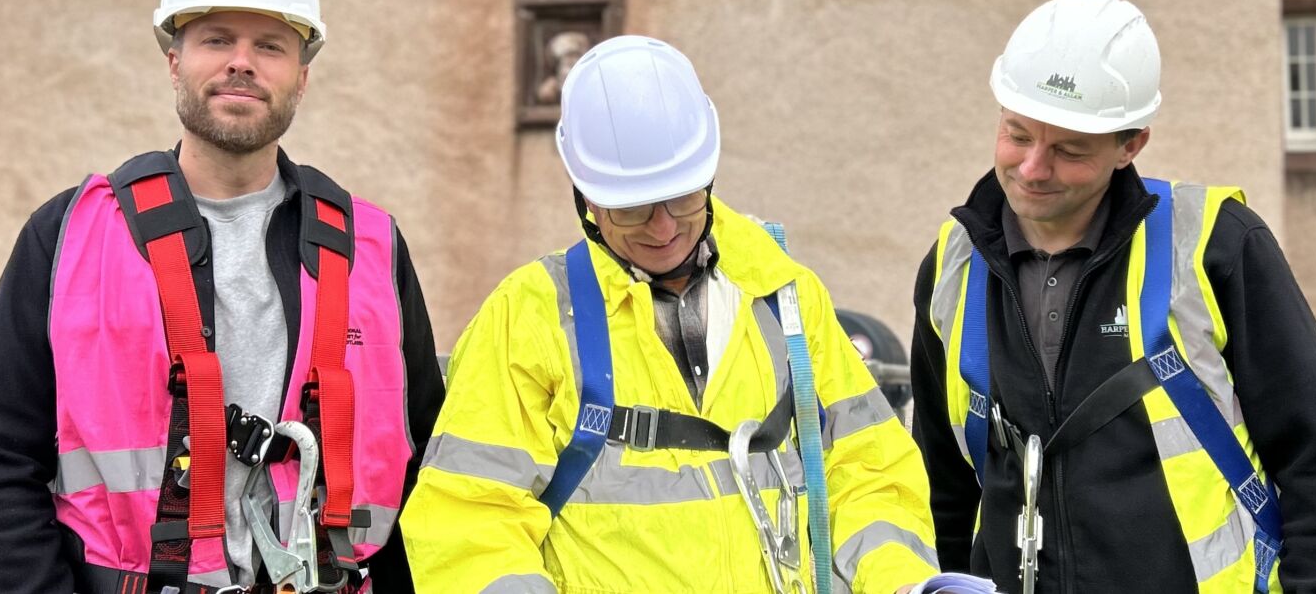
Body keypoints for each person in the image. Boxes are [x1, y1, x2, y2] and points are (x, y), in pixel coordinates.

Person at [0, 0, 444, 593]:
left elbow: (424, 467)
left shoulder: (372, 249)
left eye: (269, 46)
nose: (242, 62)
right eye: (217, 40)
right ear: (174, 61)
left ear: (302, 76)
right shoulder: (70, 236)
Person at [401, 35, 948, 592]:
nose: (663, 228)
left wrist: (903, 582)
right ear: (587, 198)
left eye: (683, 197)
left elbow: (870, 476)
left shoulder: (787, 298)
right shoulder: (530, 317)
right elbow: (468, 520)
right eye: (634, 208)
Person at [908, 0, 1316, 593]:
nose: (1032, 168)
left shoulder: (1215, 247)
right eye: (1017, 135)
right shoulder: (953, 265)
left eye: (1069, 150)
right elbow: (938, 487)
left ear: (1130, 147)